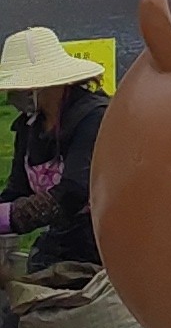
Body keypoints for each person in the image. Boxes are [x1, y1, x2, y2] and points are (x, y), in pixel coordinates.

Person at [0, 29, 109, 274]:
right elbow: (18, 189)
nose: (14, 95)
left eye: (22, 86)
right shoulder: (30, 126)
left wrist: (10, 217)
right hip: (64, 238)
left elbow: (73, 193)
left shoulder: (93, 119)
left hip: (106, 242)